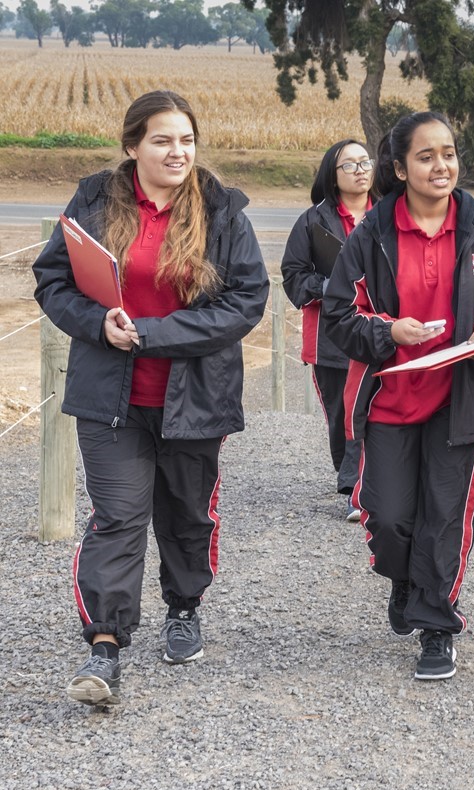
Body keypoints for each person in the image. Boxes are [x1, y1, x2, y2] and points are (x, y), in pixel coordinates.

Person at [32, 90, 269, 706]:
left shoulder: (222, 212)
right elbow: (53, 279)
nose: (177, 151)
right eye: (163, 140)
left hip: (194, 398)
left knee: (187, 516)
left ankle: (184, 605)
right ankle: (105, 645)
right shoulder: (93, 200)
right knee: (118, 517)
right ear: (133, 145)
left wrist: (153, 335)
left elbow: (245, 301)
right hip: (110, 397)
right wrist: (96, 324)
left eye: (186, 140)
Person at [322, 111, 474, 682]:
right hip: (390, 398)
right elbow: (340, 315)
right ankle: (405, 580)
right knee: (387, 518)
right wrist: (390, 332)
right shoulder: (372, 233)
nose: (442, 165)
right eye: (426, 156)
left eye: (449, 153)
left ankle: (437, 624)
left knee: (445, 518)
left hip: (460, 400)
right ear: (401, 166)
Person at [280, 139, 379, 522]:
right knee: (341, 415)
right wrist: (333, 287)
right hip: (330, 339)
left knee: (371, 411)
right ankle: (350, 478)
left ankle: (361, 489)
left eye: (364, 161)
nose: (360, 169)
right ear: (332, 176)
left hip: (379, 333)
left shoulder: (389, 215)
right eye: (349, 164)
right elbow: (293, 276)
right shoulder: (312, 220)